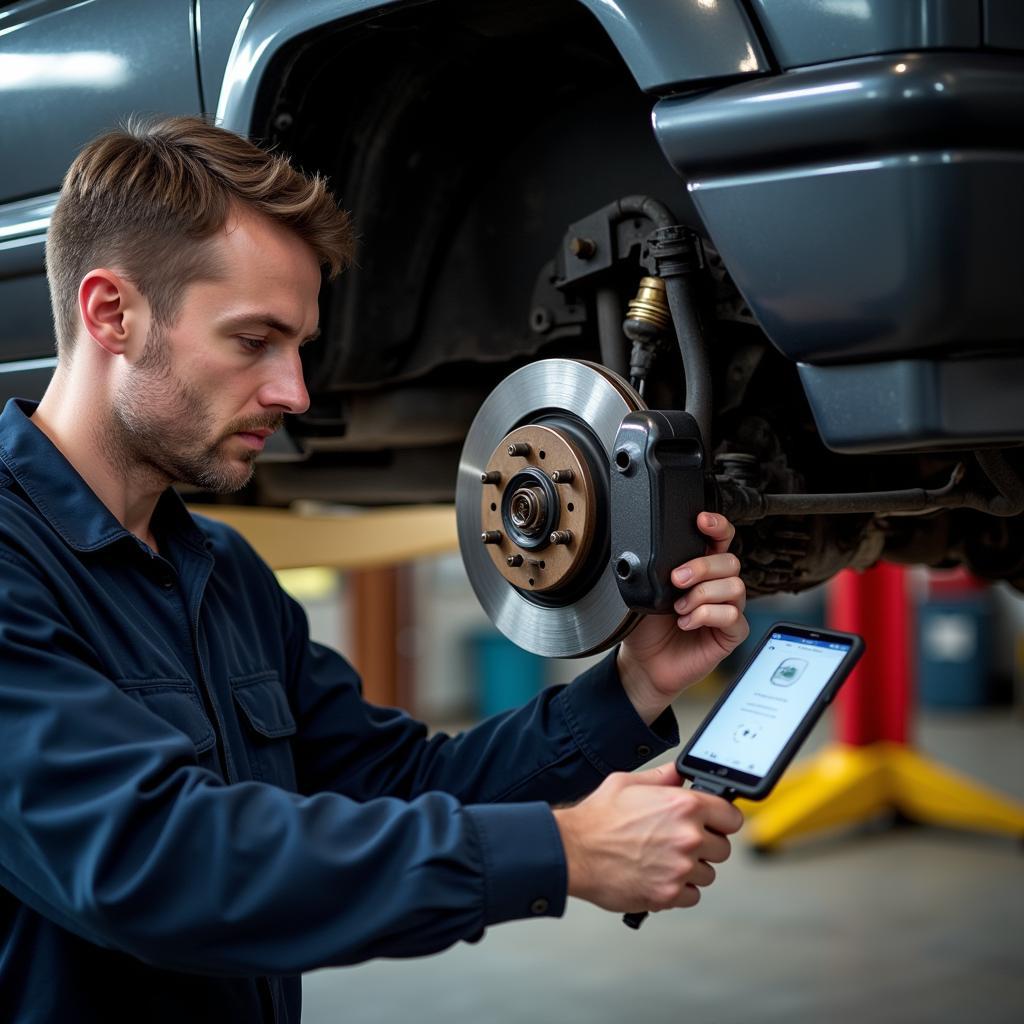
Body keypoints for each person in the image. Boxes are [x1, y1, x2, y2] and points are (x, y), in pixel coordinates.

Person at [0, 116, 748, 1022]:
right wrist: (562, 852)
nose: (295, 392)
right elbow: (151, 863)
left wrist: (632, 682)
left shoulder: (221, 571)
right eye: (252, 340)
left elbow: (404, 784)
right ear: (110, 312)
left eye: (301, 346)